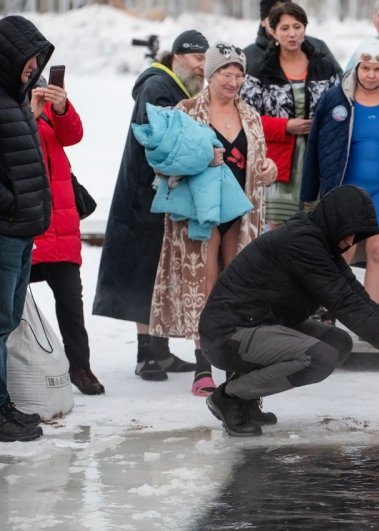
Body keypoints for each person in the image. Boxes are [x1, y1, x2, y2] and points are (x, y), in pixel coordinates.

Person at [199, 185, 379, 437]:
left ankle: (246, 395)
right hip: (227, 335)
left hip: (259, 325)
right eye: (348, 233)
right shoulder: (302, 243)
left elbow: (358, 296)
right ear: (336, 220)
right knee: (319, 357)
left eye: (355, 237)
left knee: (338, 343)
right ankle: (229, 396)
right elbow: (344, 302)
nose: (349, 242)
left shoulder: (321, 242)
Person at [148, 43, 277, 398]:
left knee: (236, 289)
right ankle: (203, 365)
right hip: (199, 212)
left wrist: (268, 169)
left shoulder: (250, 115)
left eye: (239, 75)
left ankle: (235, 363)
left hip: (241, 211)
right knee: (202, 288)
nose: (233, 81)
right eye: (226, 73)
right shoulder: (186, 111)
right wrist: (202, 159)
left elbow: (261, 160)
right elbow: (160, 164)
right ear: (210, 74)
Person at [93, 30, 209, 381]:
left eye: (205, 59)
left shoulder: (172, 88)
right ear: (176, 57)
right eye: (196, 58)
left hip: (158, 196)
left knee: (159, 272)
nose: (202, 66)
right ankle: (146, 354)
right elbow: (160, 143)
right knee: (145, 273)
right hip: (144, 197)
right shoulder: (158, 87)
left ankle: (161, 350)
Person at [301, 39, 379, 305]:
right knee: (342, 252)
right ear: (356, 68)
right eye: (365, 68)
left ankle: (372, 320)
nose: (371, 75)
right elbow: (315, 147)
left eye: (377, 69)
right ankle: (334, 311)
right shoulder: (336, 99)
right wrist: (309, 192)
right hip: (346, 188)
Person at [29, 73, 104, 395]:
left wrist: (61, 107)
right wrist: (29, 114)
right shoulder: (11, 111)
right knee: (12, 307)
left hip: (59, 225)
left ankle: (80, 367)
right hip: (25, 225)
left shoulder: (48, 108)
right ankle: (18, 369)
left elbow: (72, 136)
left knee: (71, 303)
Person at [0, 14, 54, 442]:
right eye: (28, 59)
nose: (33, 67)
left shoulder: (16, 99)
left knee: (8, 321)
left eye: (37, 60)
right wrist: (11, 205)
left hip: (21, 230)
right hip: (4, 229)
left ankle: (4, 405)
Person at [241, 2, 341, 228]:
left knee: (316, 229)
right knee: (279, 232)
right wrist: (285, 126)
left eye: (297, 26)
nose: (292, 34)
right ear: (273, 31)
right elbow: (246, 118)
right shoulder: (260, 69)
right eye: (284, 28)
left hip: (317, 159)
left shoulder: (323, 66)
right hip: (278, 164)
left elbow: (341, 109)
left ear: (305, 28)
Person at [243, 0, 335, 76]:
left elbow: (339, 85)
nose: (291, 34)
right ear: (263, 21)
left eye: (296, 26)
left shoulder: (318, 47)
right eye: (273, 17)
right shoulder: (248, 56)